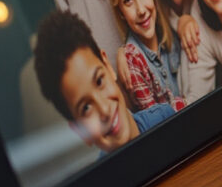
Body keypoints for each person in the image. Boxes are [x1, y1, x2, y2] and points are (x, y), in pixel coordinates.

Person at [33, 11, 175, 155]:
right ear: (80, 131)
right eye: (86, 108)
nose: (104, 110)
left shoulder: (165, 118)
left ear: (108, 66)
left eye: (99, 81)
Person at [102, 0, 188, 112]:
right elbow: (161, 125)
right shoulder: (133, 64)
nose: (141, 10)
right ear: (120, 11)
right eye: (128, 0)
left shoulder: (169, 29)